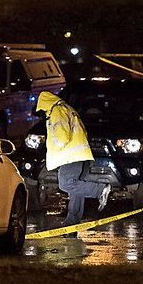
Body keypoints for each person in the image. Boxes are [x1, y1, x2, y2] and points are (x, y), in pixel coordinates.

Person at [35, 91, 111, 229]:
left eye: (42, 109)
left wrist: (55, 151)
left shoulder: (56, 111)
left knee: (66, 184)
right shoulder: (68, 109)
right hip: (79, 155)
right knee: (75, 188)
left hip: (69, 156)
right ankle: (72, 221)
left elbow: (62, 136)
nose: (43, 113)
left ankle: (100, 190)